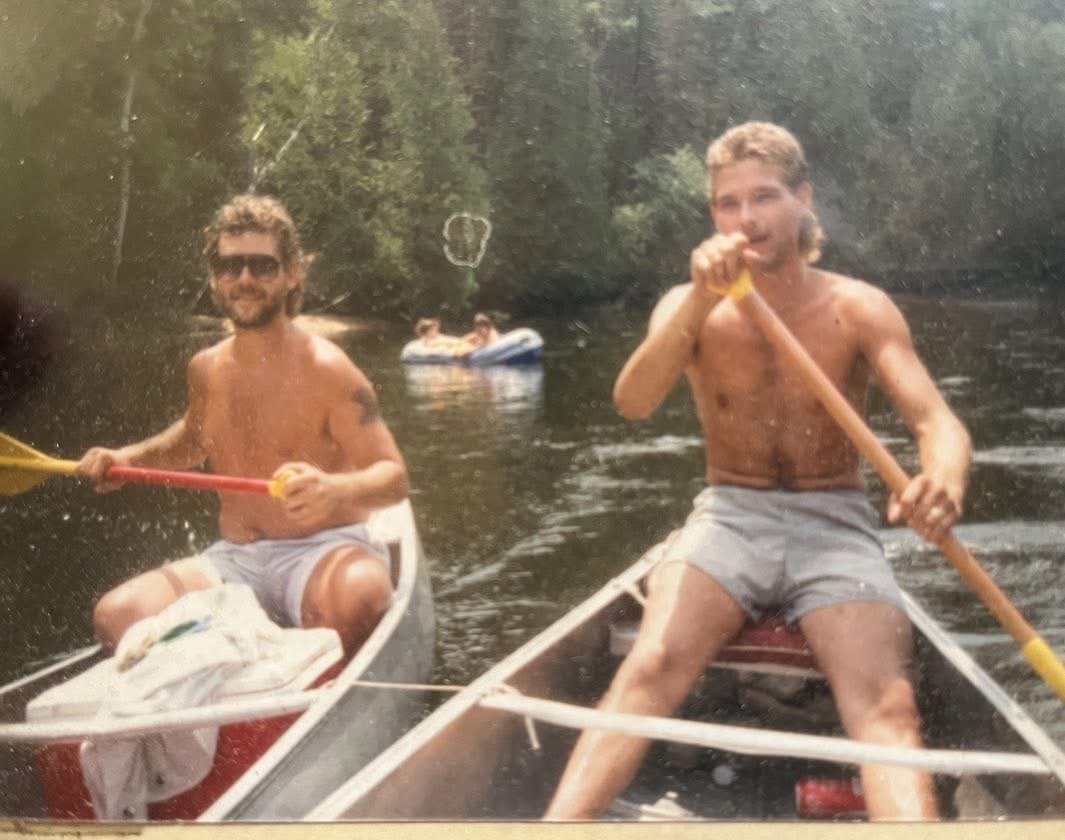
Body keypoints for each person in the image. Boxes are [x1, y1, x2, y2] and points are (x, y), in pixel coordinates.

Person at [545, 122, 971, 821]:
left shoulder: (856, 306)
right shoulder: (686, 308)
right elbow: (633, 401)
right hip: (729, 515)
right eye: (728, 203)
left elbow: (936, 424)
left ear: (804, 199)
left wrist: (942, 481)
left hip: (834, 523)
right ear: (712, 215)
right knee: (649, 668)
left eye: (765, 197)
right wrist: (698, 298)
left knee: (886, 706)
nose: (746, 218)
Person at [78, 195, 407, 656]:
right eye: (230, 266)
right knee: (117, 616)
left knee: (361, 601)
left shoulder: (329, 369)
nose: (245, 279)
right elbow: (194, 440)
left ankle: (264, 641)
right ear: (214, 278)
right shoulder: (205, 368)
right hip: (236, 559)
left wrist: (334, 490)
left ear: (293, 273)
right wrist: (126, 458)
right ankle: (245, 642)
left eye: (262, 265)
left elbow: (394, 479)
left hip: (324, 552)